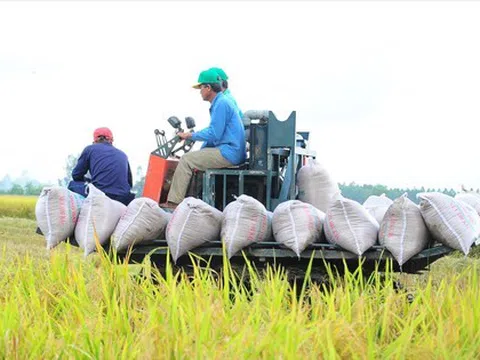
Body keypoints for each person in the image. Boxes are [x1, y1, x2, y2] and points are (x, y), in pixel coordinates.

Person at [162, 69, 246, 208]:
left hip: (229, 152)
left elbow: (214, 133)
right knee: (193, 157)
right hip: (230, 150)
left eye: (201, 87)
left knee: (187, 160)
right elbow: (214, 135)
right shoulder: (221, 102)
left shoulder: (221, 103)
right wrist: (201, 148)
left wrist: (190, 135)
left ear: (208, 87)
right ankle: (192, 200)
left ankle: (173, 203)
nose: (200, 91)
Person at [68, 127, 135, 206]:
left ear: (95, 140)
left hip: (101, 194)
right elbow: (129, 183)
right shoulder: (123, 154)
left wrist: (88, 181)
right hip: (123, 198)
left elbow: (76, 175)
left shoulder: (90, 149)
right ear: (112, 140)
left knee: (72, 184)